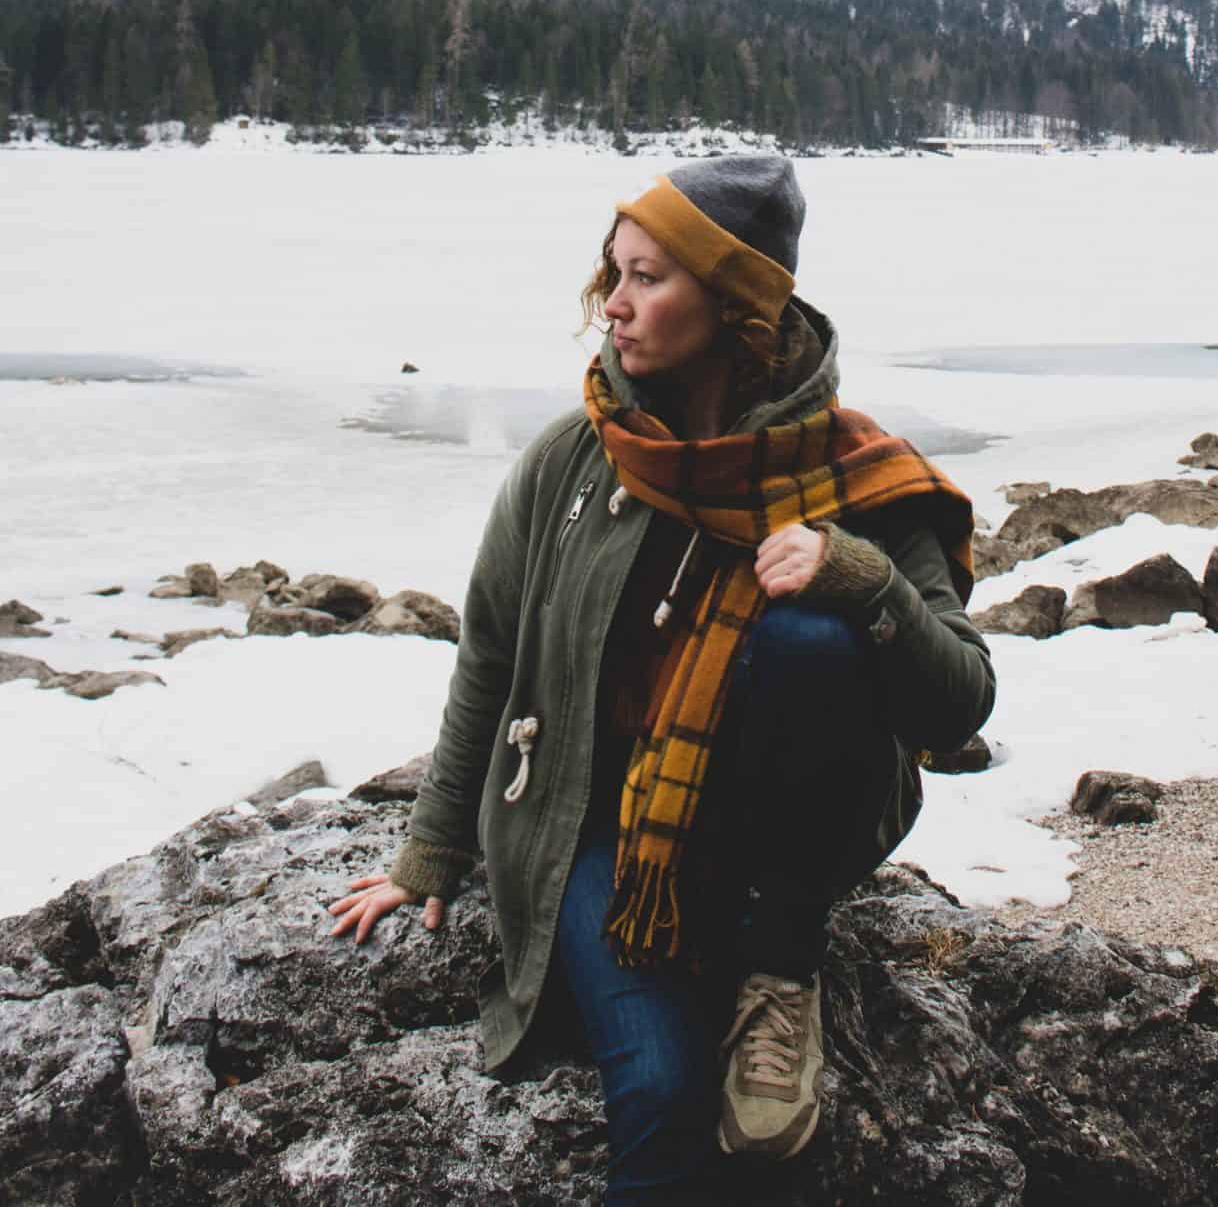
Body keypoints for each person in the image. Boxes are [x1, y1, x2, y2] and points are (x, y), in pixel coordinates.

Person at [329, 157, 995, 1203]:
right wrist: (430, 850)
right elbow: (491, 658)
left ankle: (780, 964)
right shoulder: (576, 460)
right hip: (601, 831)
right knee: (662, 1086)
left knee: (810, 636)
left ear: (733, 306)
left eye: (649, 277)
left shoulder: (855, 472)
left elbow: (960, 701)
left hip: (771, 846)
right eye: (614, 273)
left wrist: (863, 577)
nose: (617, 306)